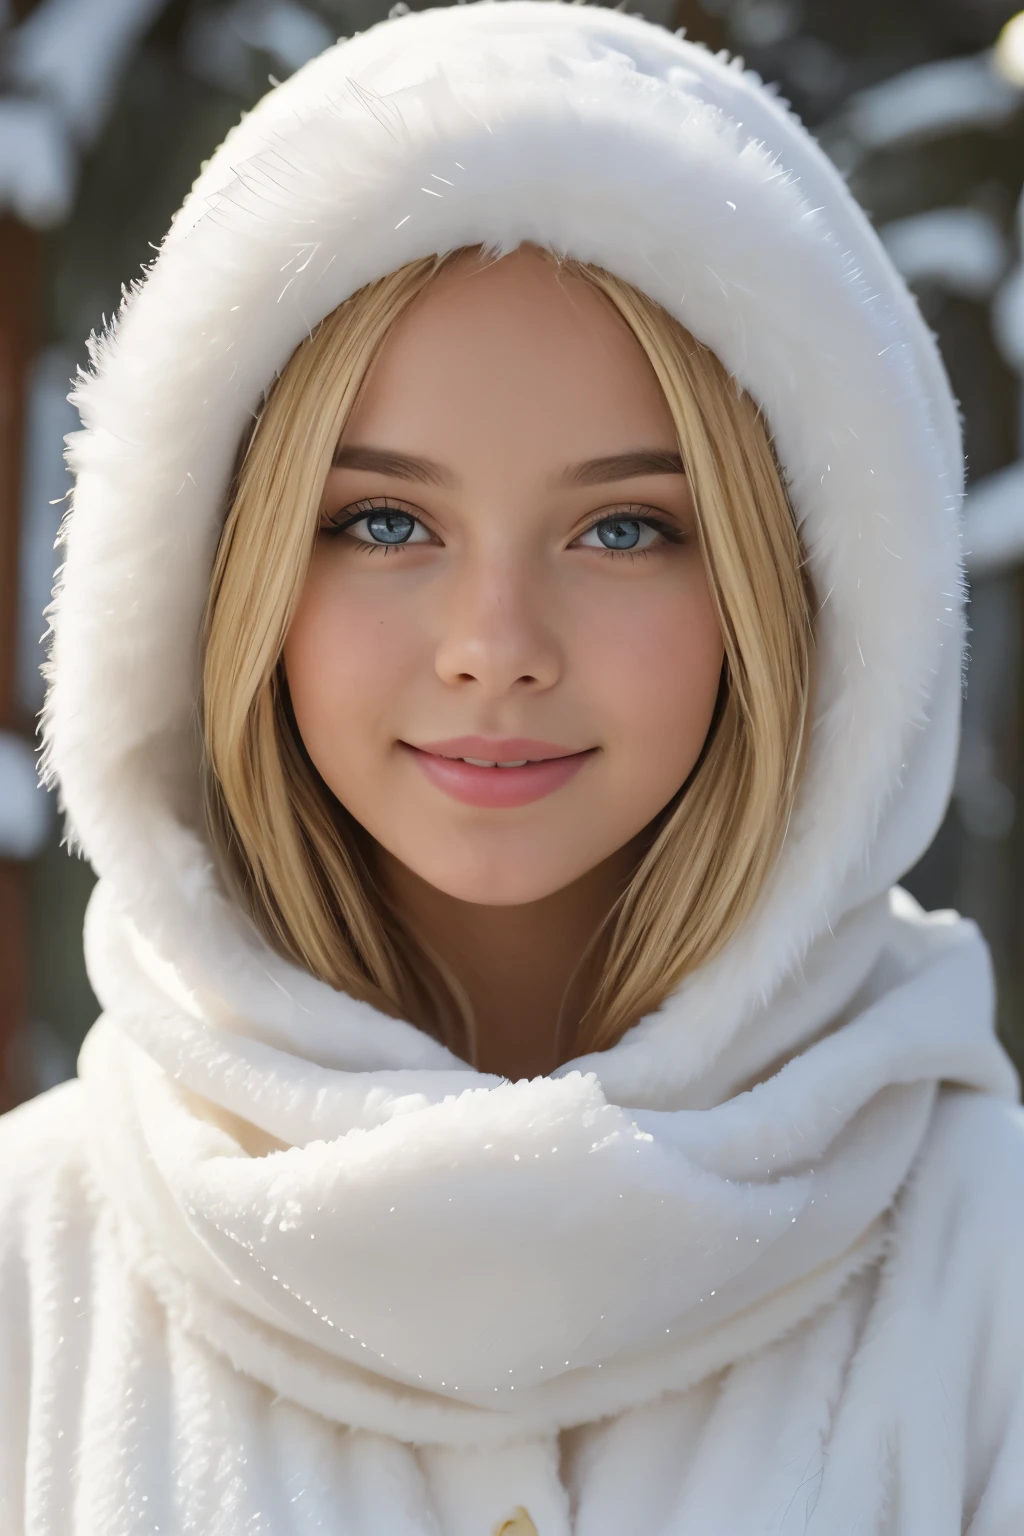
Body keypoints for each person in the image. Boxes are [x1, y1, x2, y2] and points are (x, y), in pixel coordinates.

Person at [2, 3, 1023, 1531]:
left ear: (796, 593)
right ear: (226, 577)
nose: (495, 645)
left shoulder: (989, 1268)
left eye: (627, 529)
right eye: (383, 522)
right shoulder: (34, 1265)